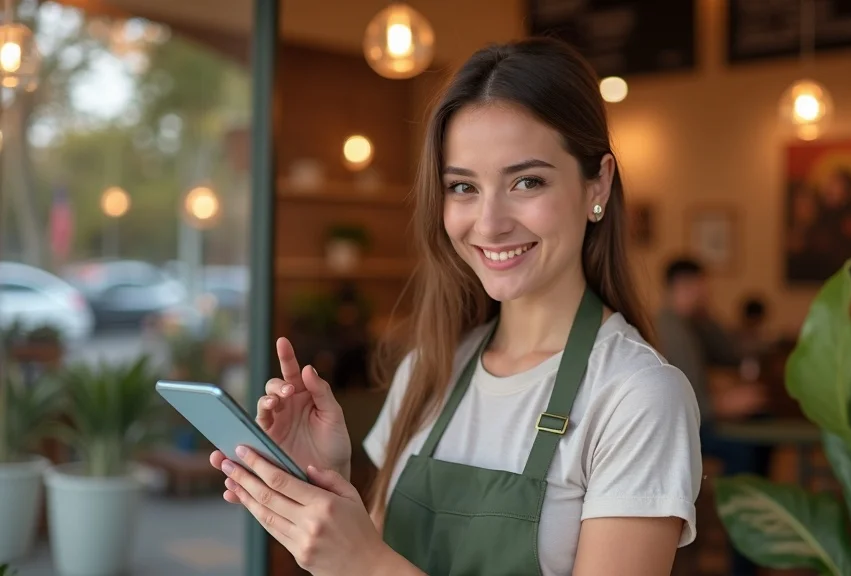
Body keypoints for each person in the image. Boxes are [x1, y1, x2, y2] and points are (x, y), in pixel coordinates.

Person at [209, 37, 702, 576]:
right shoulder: (431, 368)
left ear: (597, 184)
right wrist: (325, 485)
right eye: (463, 187)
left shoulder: (637, 397)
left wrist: (368, 563)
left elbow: (373, 568)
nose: (489, 224)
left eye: (526, 181)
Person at [655, 258, 767, 576]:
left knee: (759, 432)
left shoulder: (692, 324)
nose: (705, 293)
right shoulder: (669, 328)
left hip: (696, 422)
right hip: (681, 431)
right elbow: (687, 403)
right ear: (681, 287)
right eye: (699, 287)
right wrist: (726, 404)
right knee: (745, 452)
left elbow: (728, 352)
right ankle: (742, 559)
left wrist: (707, 315)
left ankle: (754, 539)